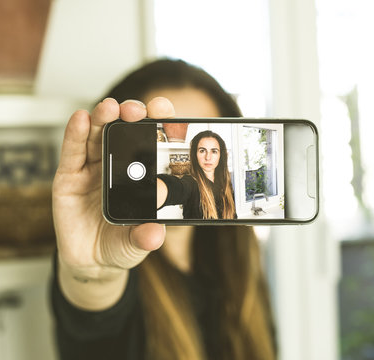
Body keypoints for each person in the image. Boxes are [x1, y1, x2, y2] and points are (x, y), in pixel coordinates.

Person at [51, 58, 276, 360]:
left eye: (212, 145)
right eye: (151, 149)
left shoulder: (237, 263)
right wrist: (94, 274)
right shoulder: (110, 258)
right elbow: (92, 308)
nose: (204, 158)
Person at [157, 130, 237, 219]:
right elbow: (175, 187)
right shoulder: (191, 183)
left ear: (220, 155)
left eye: (214, 151)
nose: (208, 157)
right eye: (202, 151)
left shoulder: (226, 184)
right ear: (195, 154)